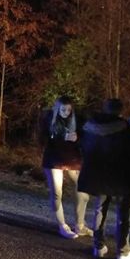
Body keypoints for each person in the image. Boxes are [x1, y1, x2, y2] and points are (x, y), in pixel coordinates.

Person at [78, 98, 130, 259]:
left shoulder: (89, 127)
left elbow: (83, 148)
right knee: (123, 213)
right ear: (120, 111)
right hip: (121, 176)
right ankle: (123, 252)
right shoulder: (125, 129)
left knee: (100, 209)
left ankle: (98, 246)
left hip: (98, 175)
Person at [37, 95, 90, 239]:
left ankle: (79, 225)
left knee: (82, 190)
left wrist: (77, 138)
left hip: (72, 158)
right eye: (63, 110)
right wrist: (59, 137)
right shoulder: (49, 120)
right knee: (57, 192)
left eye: (69, 110)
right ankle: (62, 225)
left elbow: (84, 137)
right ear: (57, 109)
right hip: (54, 159)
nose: (66, 112)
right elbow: (42, 140)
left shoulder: (77, 120)